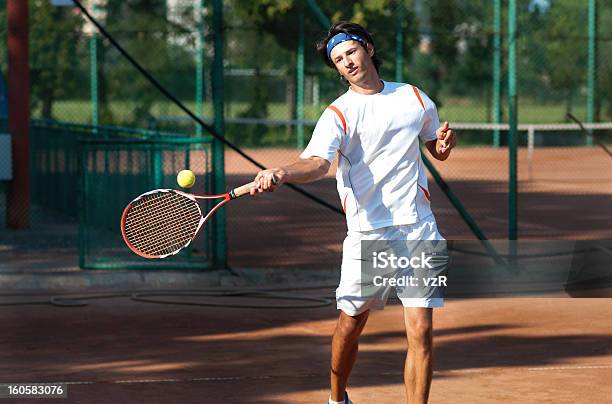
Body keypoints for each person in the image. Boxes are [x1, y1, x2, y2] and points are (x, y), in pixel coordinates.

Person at [250, 21, 456, 404]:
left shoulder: (414, 98)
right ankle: (336, 397)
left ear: (369, 49)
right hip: (370, 233)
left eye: (350, 52)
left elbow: (434, 147)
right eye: (338, 60)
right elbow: (315, 162)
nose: (347, 62)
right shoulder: (338, 114)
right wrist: (283, 172)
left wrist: (444, 145)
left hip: (418, 227)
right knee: (350, 326)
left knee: (422, 331)